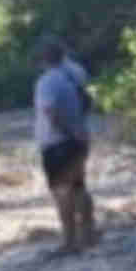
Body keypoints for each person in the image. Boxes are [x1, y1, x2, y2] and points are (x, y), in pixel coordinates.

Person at [34, 36, 96, 255]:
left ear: (43, 58)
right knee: (79, 187)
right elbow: (88, 101)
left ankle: (70, 241)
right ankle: (89, 234)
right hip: (79, 138)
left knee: (62, 192)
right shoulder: (76, 73)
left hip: (57, 142)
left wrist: (68, 131)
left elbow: (50, 113)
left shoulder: (46, 81)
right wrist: (80, 127)